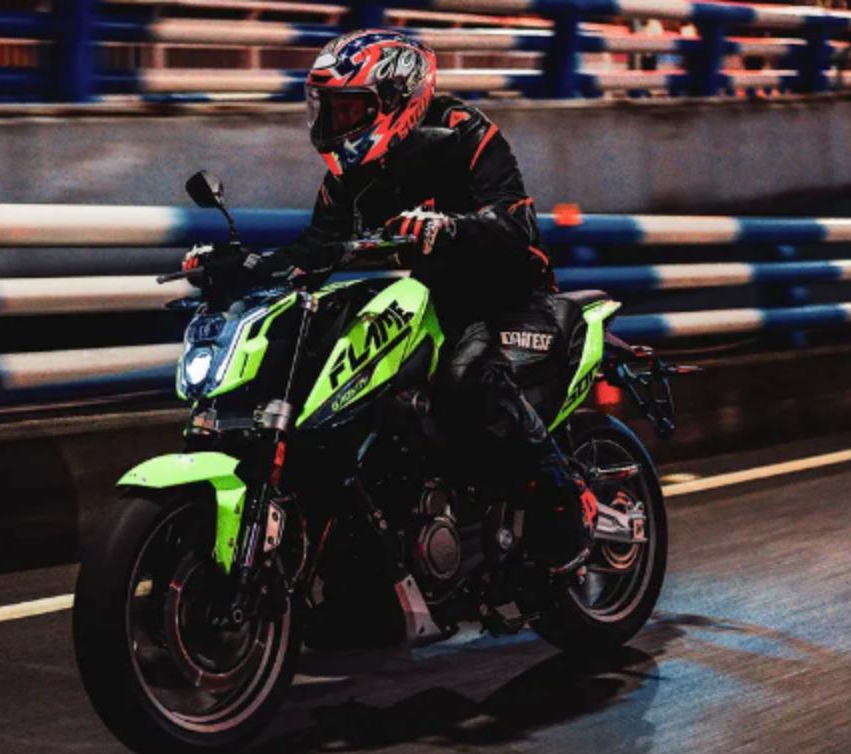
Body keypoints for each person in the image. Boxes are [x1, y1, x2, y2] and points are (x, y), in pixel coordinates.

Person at [185, 29, 598, 572]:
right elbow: (316, 250)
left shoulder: (465, 133)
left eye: (349, 108)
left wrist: (450, 227)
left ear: (396, 100)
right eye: (329, 109)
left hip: (505, 295)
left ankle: (563, 497)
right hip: (426, 302)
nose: (335, 123)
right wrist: (244, 267)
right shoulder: (347, 178)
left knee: (467, 376)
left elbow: (516, 224)